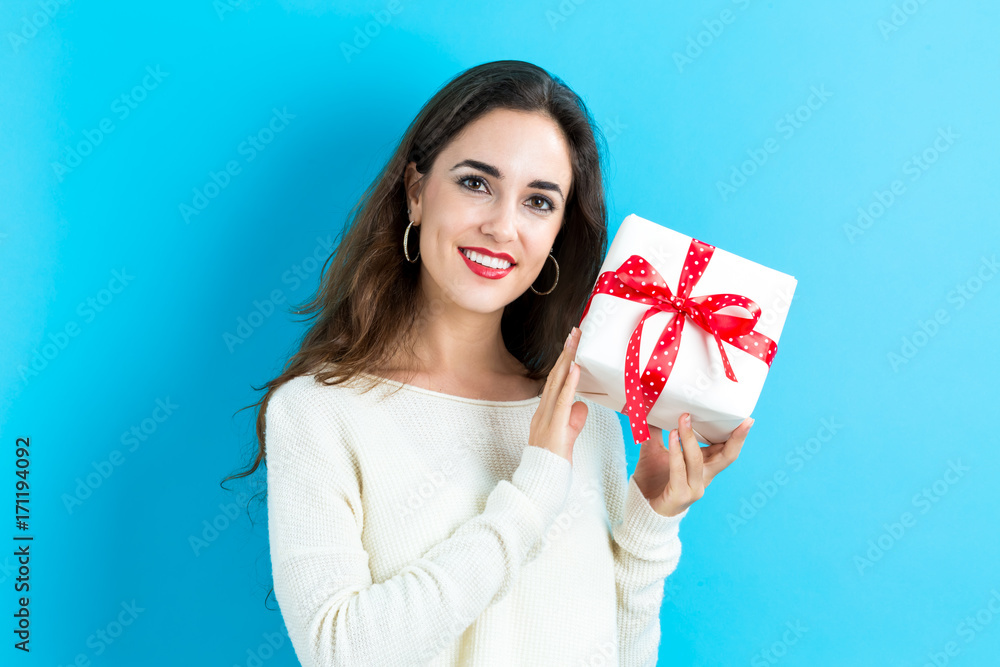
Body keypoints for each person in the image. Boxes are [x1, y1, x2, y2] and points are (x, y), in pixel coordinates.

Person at [224, 59, 752, 666]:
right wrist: (533, 491)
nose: (503, 227)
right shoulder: (320, 413)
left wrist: (650, 525)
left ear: (558, 231)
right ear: (417, 191)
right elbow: (342, 650)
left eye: (538, 202)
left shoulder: (584, 412)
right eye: (476, 183)